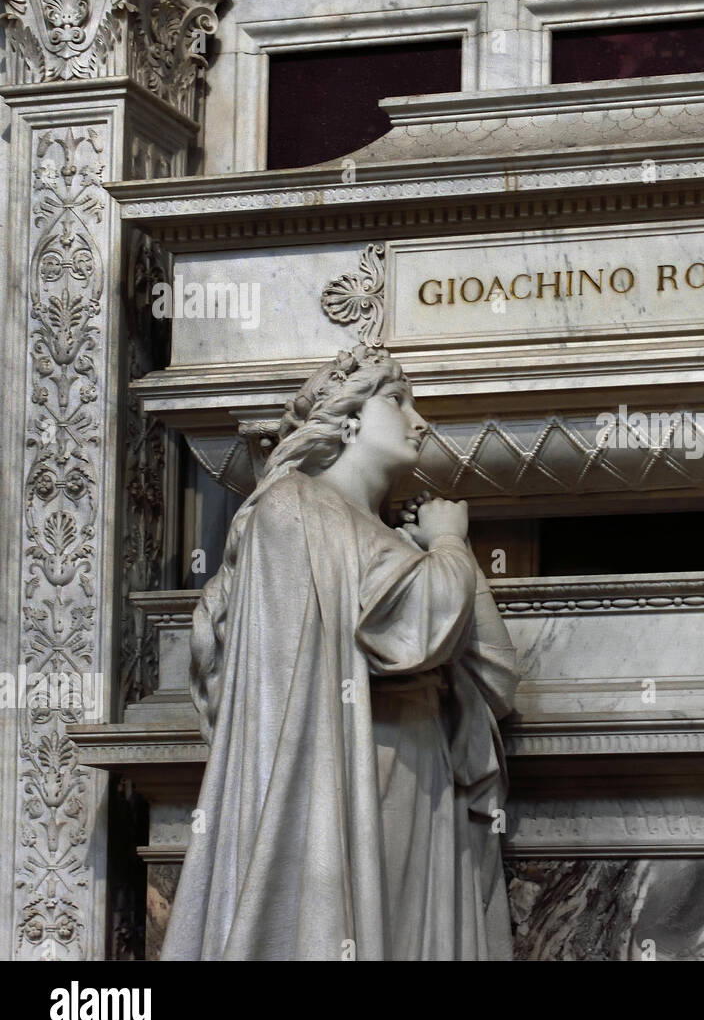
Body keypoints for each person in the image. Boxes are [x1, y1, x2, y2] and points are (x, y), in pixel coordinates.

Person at [161, 345, 518, 960]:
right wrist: (452, 545)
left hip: (416, 767)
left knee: (403, 935)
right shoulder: (293, 507)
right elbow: (415, 631)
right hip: (348, 767)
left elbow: (494, 671)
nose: (419, 421)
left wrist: (440, 550)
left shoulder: (384, 537)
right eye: (397, 400)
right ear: (347, 418)